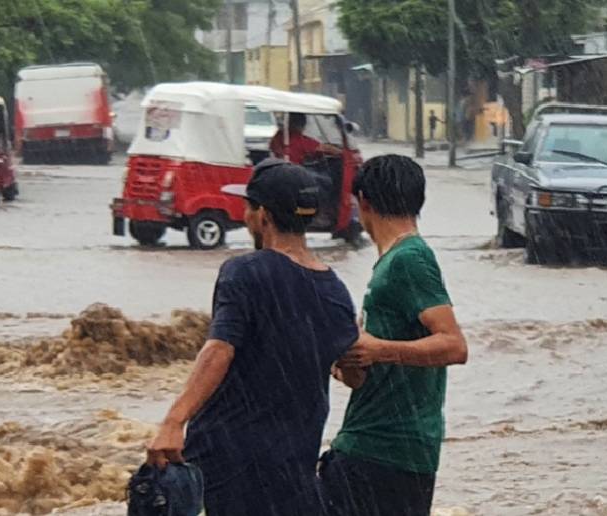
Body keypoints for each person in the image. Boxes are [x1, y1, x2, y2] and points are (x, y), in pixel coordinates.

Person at [146, 159, 358, 516]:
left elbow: (219, 350)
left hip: (230, 460)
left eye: (248, 208)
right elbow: (354, 372)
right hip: (294, 465)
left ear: (263, 216)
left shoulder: (244, 272)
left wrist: (172, 422)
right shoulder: (335, 291)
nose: (244, 217)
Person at [319, 155, 468, 516]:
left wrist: (379, 350)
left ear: (364, 202)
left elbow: (454, 345)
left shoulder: (410, 259)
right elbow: (368, 362)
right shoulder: (392, 262)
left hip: (383, 449)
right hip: (386, 448)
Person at [270, 112, 339, 165]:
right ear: (301, 125)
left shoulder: (279, 136)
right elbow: (323, 148)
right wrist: (341, 152)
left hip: (279, 169)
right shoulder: (300, 140)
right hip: (295, 172)